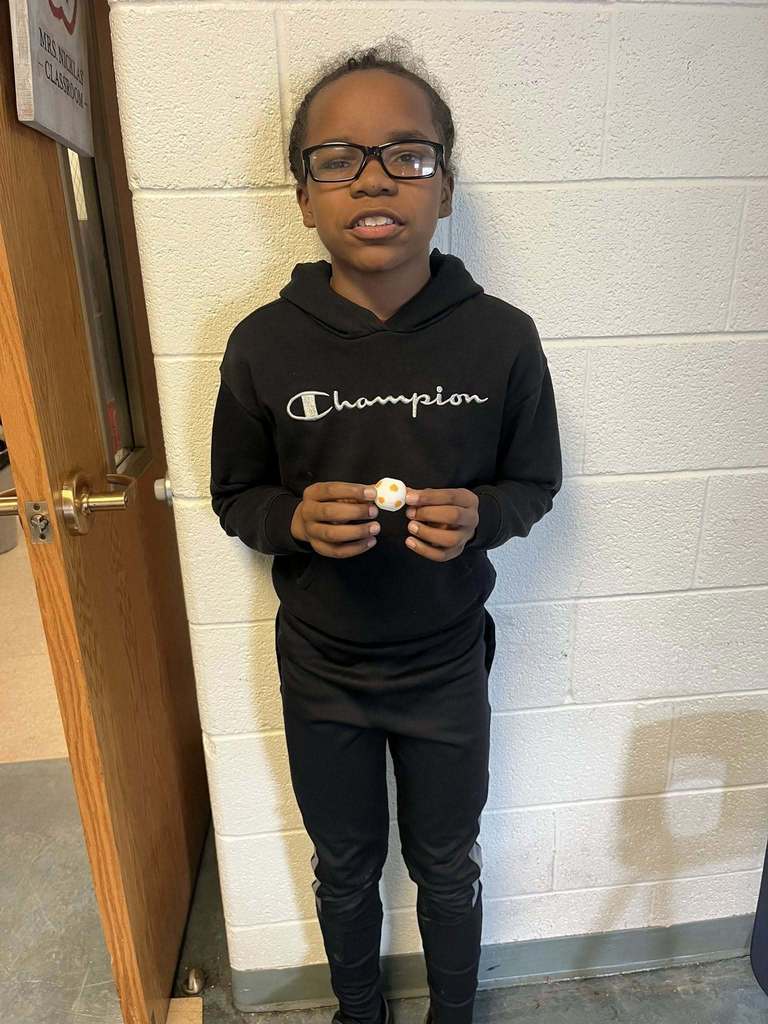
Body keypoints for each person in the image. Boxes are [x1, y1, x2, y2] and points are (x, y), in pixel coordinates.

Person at [210, 39, 563, 1024]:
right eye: (339, 157)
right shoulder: (262, 343)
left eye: (409, 154)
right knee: (345, 864)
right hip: (321, 669)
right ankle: (357, 1012)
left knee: (448, 862)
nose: (375, 177)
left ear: (446, 189)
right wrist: (290, 519)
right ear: (304, 193)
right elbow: (234, 495)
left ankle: (455, 1011)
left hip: (448, 665)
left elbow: (536, 480)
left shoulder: (502, 336)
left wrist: (484, 514)